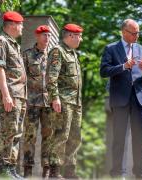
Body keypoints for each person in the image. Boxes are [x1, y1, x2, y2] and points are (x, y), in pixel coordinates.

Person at [100, 19, 142, 178]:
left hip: (140, 100)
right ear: (124, 32)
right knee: (119, 140)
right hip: (120, 100)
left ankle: (140, 175)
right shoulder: (110, 49)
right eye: (134, 33)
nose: (137, 35)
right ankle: (118, 174)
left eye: (138, 32)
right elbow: (103, 71)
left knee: (140, 141)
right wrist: (123, 66)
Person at [0, 11, 26, 179]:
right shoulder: (0, 42)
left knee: (16, 131)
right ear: (12, 25)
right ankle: (3, 168)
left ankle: (10, 168)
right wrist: (5, 95)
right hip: (10, 93)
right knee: (8, 130)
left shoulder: (14, 44)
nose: (22, 28)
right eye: (20, 24)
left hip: (19, 95)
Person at [46, 23, 83, 178]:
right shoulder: (58, 51)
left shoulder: (73, 54)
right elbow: (51, 77)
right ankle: (54, 171)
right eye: (79, 36)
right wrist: (55, 98)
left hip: (75, 103)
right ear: (70, 35)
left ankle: (70, 171)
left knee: (75, 137)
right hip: (63, 101)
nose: (81, 39)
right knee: (61, 135)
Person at [22, 25, 52, 178]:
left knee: (48, 137)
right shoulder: (27, 55)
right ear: (37, 36)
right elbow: (21, 78)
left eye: (49, 35)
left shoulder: (54, 56)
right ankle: (27, 171)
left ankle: (46, 172)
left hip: (49, 103)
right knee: (30, 136)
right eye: (44, 35)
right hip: (32, 102)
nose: (47, 38)